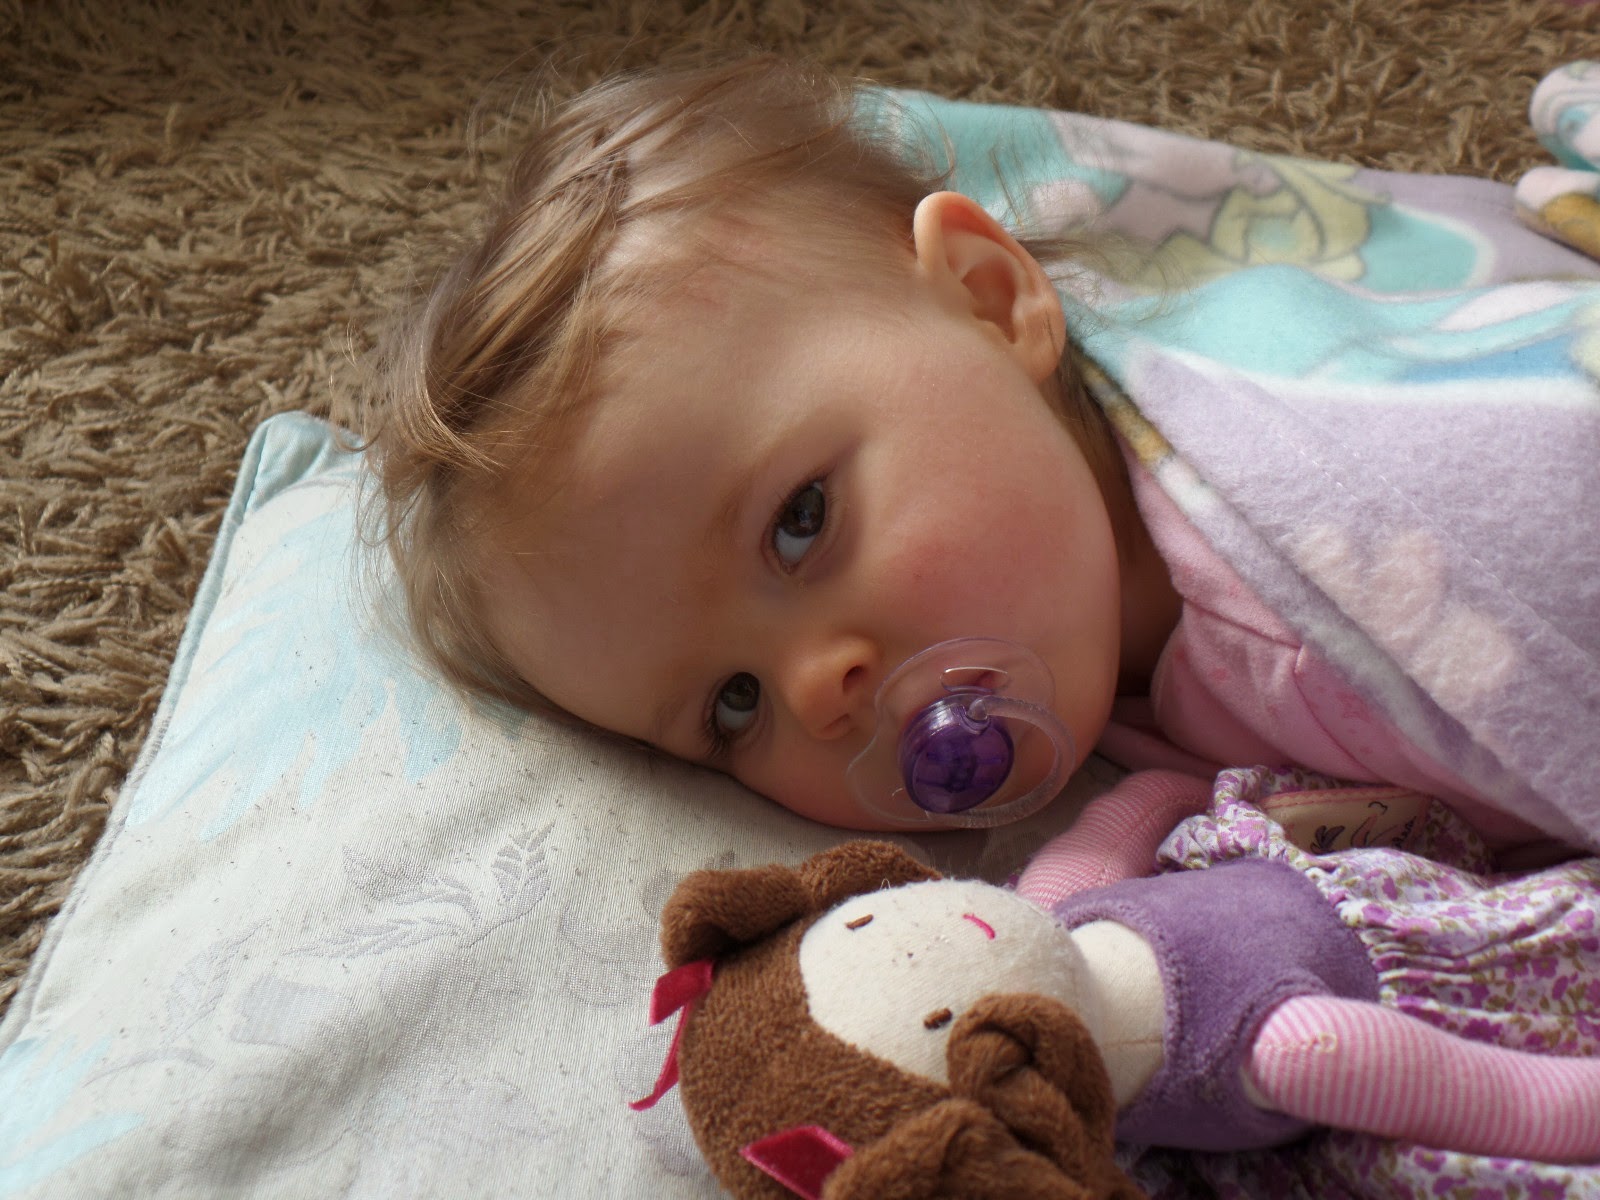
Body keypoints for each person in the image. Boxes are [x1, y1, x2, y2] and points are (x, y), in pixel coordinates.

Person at [362, 55, 1600, 851]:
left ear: (993, 300)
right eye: (732, 706)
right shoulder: (1099, 631)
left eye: (800, 522)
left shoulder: (1388, 528)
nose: (818, 692)